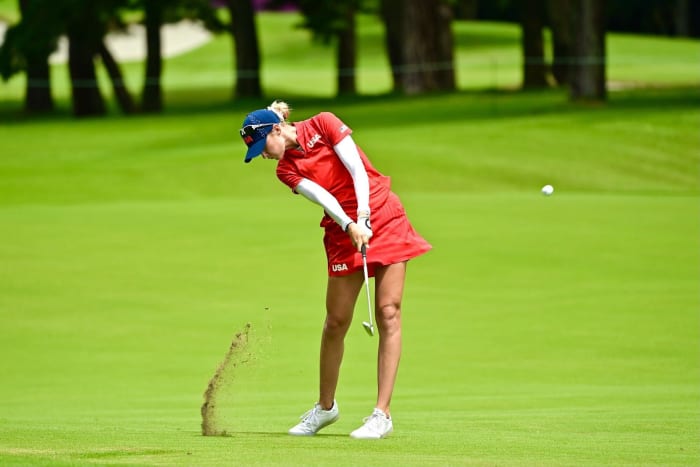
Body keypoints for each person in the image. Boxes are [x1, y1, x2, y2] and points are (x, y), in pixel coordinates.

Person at [239, 100, 431, 439]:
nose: (263, 155)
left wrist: (364, 218)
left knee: (388, 312)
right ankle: (326, 408)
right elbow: (322, 196)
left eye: (262, 147)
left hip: (383, 215)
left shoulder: (324, 123)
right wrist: (349, 225)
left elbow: (357, 169)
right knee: (336, 321)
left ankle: (381, 414)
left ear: (277, 129)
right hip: (344, 231)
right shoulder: (285, 170)